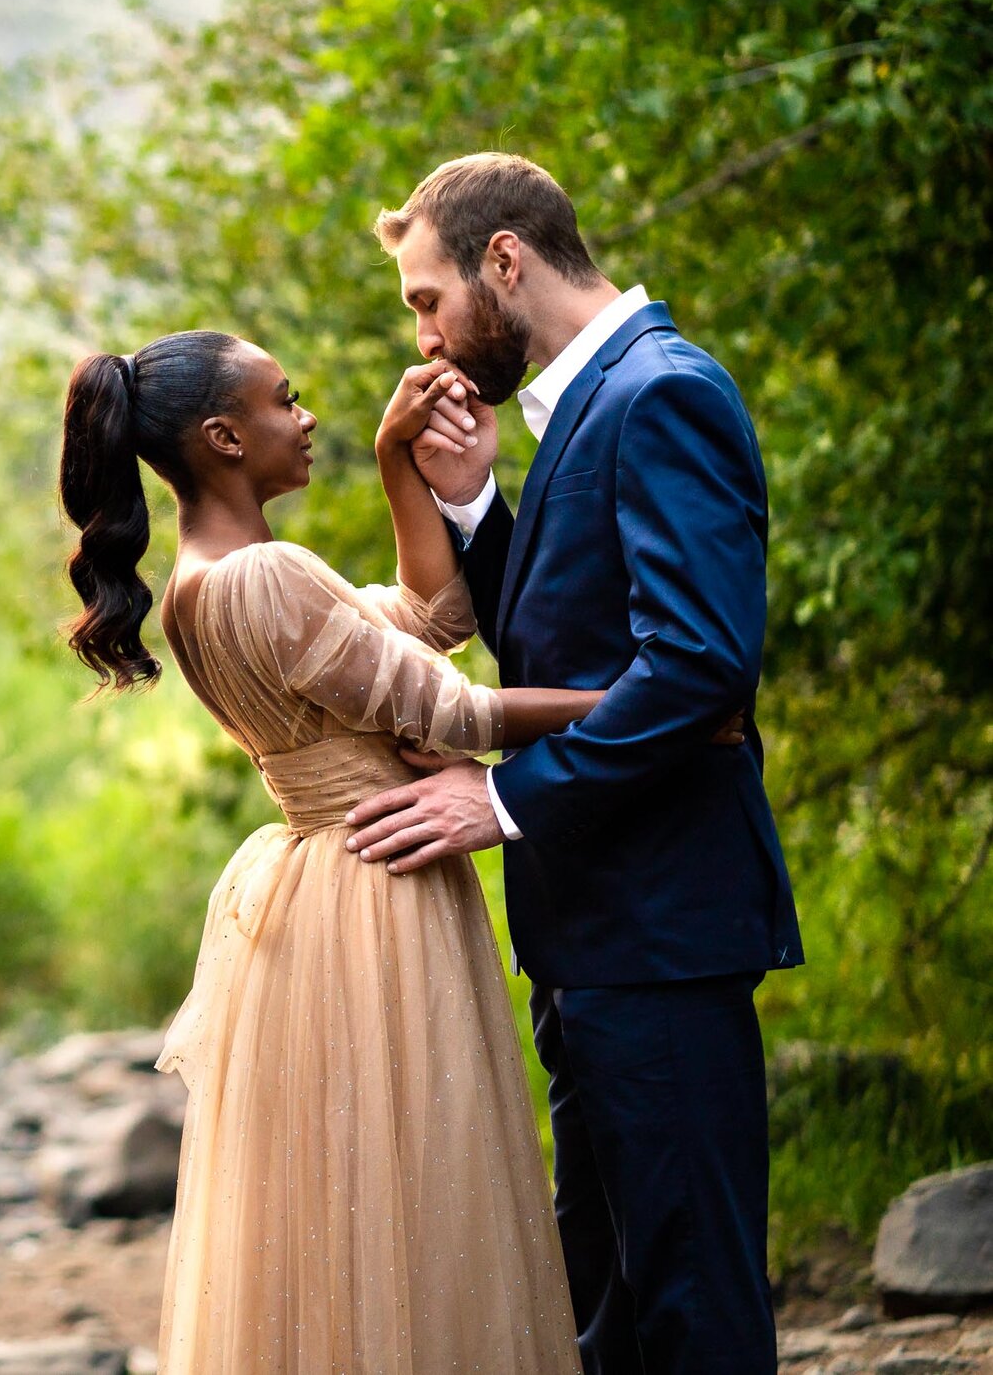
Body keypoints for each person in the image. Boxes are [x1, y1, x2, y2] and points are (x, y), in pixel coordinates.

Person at [58, 329, 598, 1374]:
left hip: (325, 887)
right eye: (284, 399)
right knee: (417, 1186)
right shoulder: (263, 575)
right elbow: (459, 708)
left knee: (353, 1199)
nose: (306, 418)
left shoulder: (202, 586)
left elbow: (427, 621)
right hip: (375, 890)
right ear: (222, 437)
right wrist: (658, 704)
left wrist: (403, 467)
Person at [344, 153, 803, 1375]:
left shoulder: (661, 394)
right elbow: (574, 641)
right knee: (607, 1303)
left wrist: (501, 798)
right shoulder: (589, 404)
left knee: (690, 1306)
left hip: (661, 929)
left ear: (506, 261)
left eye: (426, 300)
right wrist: (478, 509)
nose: (429, 340)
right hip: (596, 931)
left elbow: (698, 663)